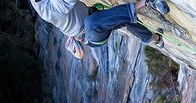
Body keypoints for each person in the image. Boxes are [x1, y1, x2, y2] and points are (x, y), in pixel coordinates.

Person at [30, 0, 170, 59]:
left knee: (122, 19)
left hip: (94, 19)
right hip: (90, 34)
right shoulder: (48, 10)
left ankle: (156, 39)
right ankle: (147, 1)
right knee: (91, 23)